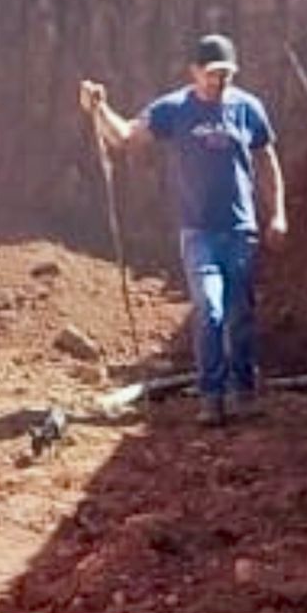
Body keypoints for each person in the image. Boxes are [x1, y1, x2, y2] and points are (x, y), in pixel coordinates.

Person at [79, 34, 287, 427]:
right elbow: (124, 137)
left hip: (240, 229)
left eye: (225, 74)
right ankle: (211, 396)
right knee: (209, 309)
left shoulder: (248, 109)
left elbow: (267, 161)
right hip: (199, 231)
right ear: (194, 72)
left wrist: (277, 214)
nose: (218, 81)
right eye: (211, 74)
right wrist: (99, 109)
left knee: (240, 313)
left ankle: (243, 391)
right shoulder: (174, 109)